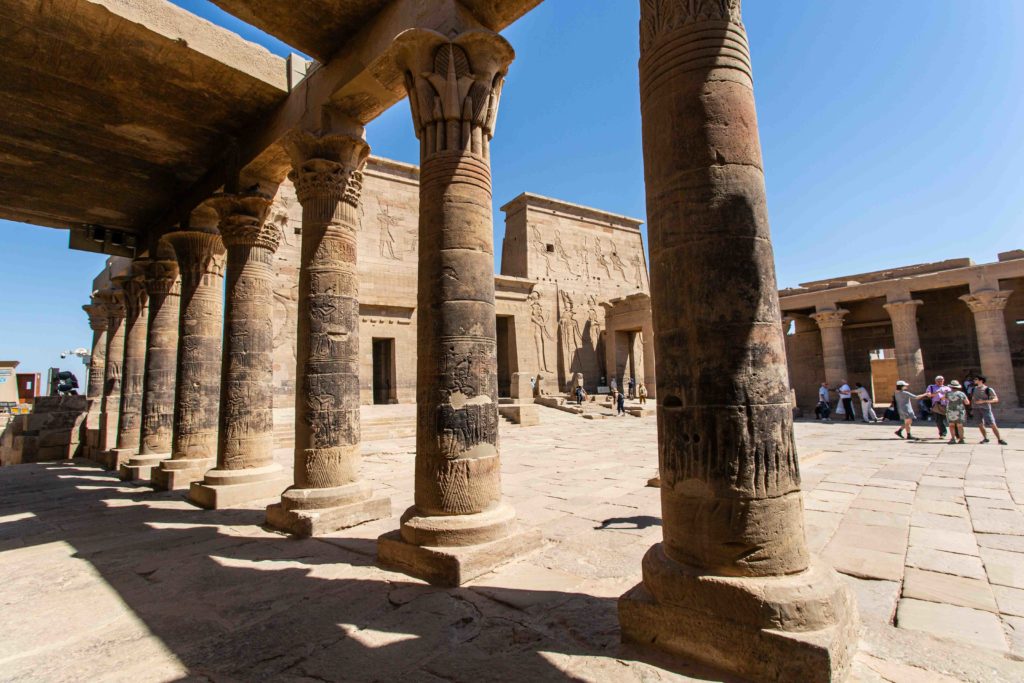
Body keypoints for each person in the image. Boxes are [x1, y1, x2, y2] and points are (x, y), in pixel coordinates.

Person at [973, 376, 1008, 445]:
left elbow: (996, 399)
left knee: (992, 424)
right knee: (980, 424)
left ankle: (999, 439)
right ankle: (985, 438)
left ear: (981, 380)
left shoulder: (988, 389)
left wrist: (984, 401)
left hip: (985, 409)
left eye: (976, 379)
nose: (974, 380)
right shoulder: (975, 388)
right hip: (976, 408)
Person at [944, 380, 970, 445]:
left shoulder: (948, 393)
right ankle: (961, 439)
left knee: (951, 425)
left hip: (950, 410)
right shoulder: (961, 393)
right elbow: (967, 402)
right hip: (959, 410)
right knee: (960, 426)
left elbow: (943, 399)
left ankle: (953, 439)